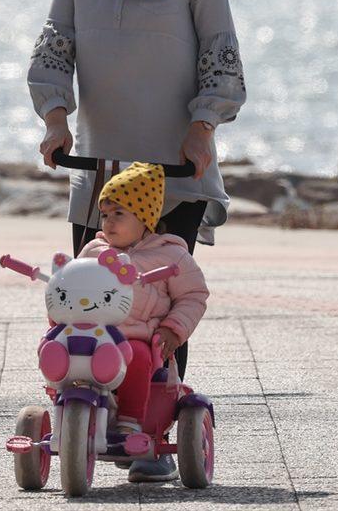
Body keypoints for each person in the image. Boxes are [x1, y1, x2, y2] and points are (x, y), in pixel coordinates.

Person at [26, 0, 246, 456]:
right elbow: (55, 45)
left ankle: (154, 424)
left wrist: (204, 124)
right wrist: (54, 117)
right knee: (93, 305)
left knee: (161, 307)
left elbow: (219, 53)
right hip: (100, 171)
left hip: (174, 165)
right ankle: (88, 426)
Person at [77, 161, 209, 483]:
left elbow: (194, 295)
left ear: (146, 218)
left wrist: (172, 329)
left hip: (141, 340)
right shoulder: (94, 251)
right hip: (95, 336)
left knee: (133, 355)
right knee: (66, 354)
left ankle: (129, 423)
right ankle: (72, 413)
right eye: (105, 215)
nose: (108, 223)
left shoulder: (170, 256)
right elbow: (72, 287)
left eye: (119, 214)